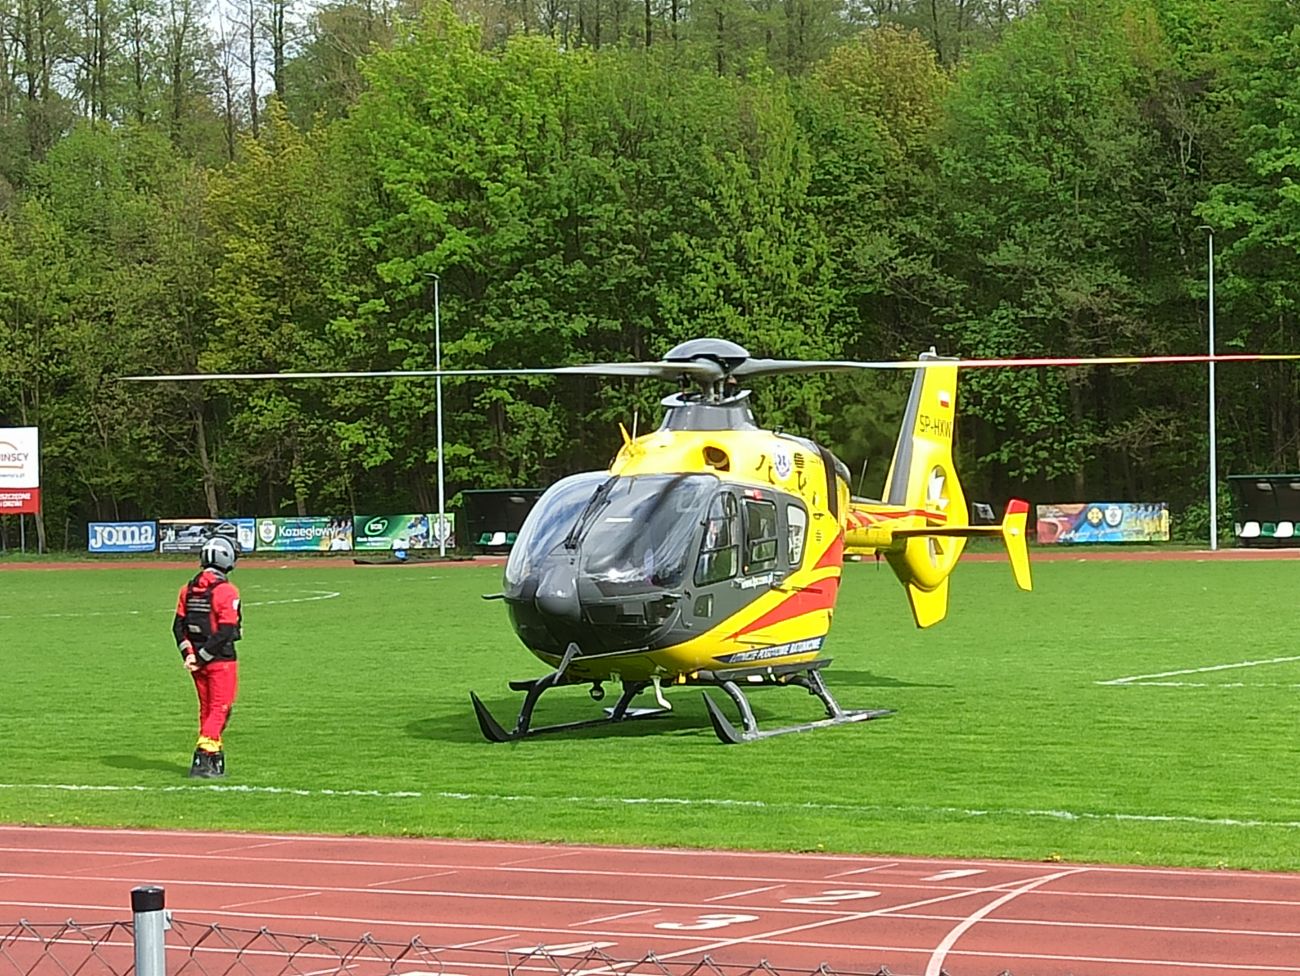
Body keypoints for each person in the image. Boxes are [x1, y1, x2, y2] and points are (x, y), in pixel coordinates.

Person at [173, 536, 243, 779]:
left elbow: (178, 627)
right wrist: (203, 657)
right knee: (221, 708)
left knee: (207, 709)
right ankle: (203, 757)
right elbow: (226, 631)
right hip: (220, 660)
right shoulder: (226, 591)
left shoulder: (187, 590)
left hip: (196, 662)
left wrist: (190, 655)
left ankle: (215, 757)